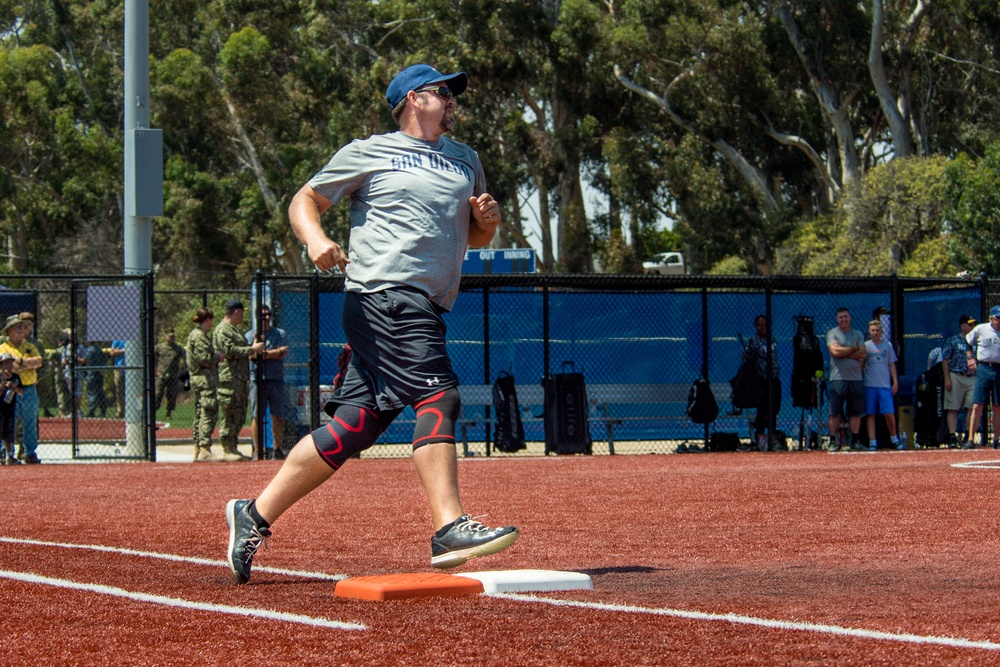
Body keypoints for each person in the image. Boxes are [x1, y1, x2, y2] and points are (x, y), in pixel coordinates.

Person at [225, 63, 519, 584]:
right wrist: (316, 240)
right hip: (383, 292)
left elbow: (473, 239)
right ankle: (449, 526)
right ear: (412, 99)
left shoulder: (465, 159)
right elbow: (306, 199)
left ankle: (254, 514)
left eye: (453, 95)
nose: (452, 100)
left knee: (354, 426)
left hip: (426, 303)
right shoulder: (369, 150)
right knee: (439, 395)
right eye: (443, 93)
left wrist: (488, 224)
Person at [213, 299, 264, 462]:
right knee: (229, 414)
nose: (242, 316)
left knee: (239, 414)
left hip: (240, 378)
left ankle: (233, 446)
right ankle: (227, 447)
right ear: (236, 312)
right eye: (242, 312)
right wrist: (252, 349)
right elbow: (229, 351)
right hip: (229, 379)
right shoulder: (223, 330)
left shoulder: (234, 330)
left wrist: (252, 344)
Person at [246, 304, 288, 459]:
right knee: (257, 415)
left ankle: (277, 449)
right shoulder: (251, 335)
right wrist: (262, 350)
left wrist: (265, 354)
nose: (267, 318)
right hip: (257, 380)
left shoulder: (279, 333)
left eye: (269, 314)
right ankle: (257, 450)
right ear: (257, 317)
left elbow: (283, 351)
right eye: (263, 315)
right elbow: (250, 355)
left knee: (277, 414)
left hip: (276, 379)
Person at [0, 315, 43, 463]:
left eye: (22, 326)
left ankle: (29, 452)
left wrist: (21, 362)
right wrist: (26, 365)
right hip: (10, 390)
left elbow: (38, 361)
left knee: (30, 421)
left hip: (29, 388)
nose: (21, 329)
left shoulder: (30, 346)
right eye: (17, 326)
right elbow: (11, 367)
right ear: (9, 330)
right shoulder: (3, 348)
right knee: (7, 421)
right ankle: (6, 453)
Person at [825, 307, 867, 450]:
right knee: (834, 412)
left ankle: (854, 441)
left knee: (855, 412)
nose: (843, 319)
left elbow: (862, 354)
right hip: (838, 379)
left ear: (850, 318)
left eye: (845, 317)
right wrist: (852, 348)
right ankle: (832, 441)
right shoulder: (832, 333)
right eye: (840, 317)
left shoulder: (858, 334)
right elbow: (834, 352)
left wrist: (844, 350)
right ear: (837, 319)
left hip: (856, 379)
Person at [186, 308, 223, 462]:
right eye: (211, 319)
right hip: (204, 380)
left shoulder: (197, 335)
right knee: (208, 412)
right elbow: (204, 358)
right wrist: (218, 356)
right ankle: (204, 448)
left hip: (201, 380)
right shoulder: (199, 336)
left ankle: (198, 447)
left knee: (200, 413)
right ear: (207, 319)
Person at [742, 314, 782, 451]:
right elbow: (747, 358)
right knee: (762, 408)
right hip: (761, 380)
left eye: (765, 325)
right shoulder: (753, 341)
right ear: (755, 326)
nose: (763, 327)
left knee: (774, 408)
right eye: (760, 325)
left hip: (774, 378)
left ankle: (772, 434)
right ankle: (760, 436)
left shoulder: (773, 339)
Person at [964, 306, 1000, 449]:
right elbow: (968, 341)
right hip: (984, 368)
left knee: (997, 406)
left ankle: (996, 439)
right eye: (998, 318)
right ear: (991, 318)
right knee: (978, 404)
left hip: (999, 369)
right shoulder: (981, 329)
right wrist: (970, 357)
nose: (999, 321)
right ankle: (971, 439)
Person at [863, 320, 900, 451]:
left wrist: (895, 381)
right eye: (873, 330)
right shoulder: (866, 346)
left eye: (877, 330)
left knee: (888, 413)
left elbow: (891, 364)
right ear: (869, 332)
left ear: (881, 332)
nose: (875, 333)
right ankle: (872, 441)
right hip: (869, 385)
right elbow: (862, 365)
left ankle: (894, 438)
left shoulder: (887, 345)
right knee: (870, 414)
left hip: (884, 385)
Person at [941, 315, 977, 448]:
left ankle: (969, 436)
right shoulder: (954, 340)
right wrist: (947, 378)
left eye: (973, 324)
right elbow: (945, 359)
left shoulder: (976, 341)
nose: (972, 327)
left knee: (973, 407)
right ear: (962, 326)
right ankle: (952, 436)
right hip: (956, 375)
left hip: (972, 377)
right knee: (953, 407)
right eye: (970, 324)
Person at [154, 329, 186, 420]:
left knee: (171, 395)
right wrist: (155, 370)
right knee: (158, 394)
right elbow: (150, 357)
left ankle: (168, 413)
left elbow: (185, 359)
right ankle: (154, 412)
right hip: (161, 375)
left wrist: (181, 369)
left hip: (173, 376)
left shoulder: (178, 348)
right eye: (170, 336)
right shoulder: (159, 347)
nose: (172, 338)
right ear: (166, 337)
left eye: (173, 336)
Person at [0, 353, 23, 465]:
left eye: (10, 363)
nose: (8, 365)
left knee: (8, 433)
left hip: (10, 409)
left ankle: (9, 456)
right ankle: (2, 455)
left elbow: (21, 392)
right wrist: (2, 385)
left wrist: (14, 387)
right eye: (6, 363)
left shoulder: (16, 377)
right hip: (0, 409)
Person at [82, 339, 108, 418]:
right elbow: (104, 360)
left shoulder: (89, 350)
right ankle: (103, 409)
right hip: (99, 373)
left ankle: (91, 410)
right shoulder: (98, 349)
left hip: (92, 374)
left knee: (92, 392)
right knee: (100, 392)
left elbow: (86, 360)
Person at [53, 330, 72, 418]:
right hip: (67, 372)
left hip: (60, 372)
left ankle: (62, 411)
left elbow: (50, 359)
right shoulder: (68, 349)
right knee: (68, 392)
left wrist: (57, 365)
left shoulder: (57, 351)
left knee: (60, 392)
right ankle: (69, 410)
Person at [109, 340, 126, 418]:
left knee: (133, 390)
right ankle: (120, 411)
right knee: (119, 390)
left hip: (131, 369)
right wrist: (124, 350)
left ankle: (133, 410)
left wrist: (118, 351)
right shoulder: (117, 340)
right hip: (119, 368)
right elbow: (112, 353)